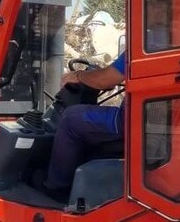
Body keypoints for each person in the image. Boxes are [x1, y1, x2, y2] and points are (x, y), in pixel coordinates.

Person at [44, 51, 126, 199]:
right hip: (147, 119)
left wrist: (77, 76)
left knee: (71, 119)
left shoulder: (150, 40)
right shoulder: (169, 42)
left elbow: (105, 80)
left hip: (129, 121)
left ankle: (57, 191)